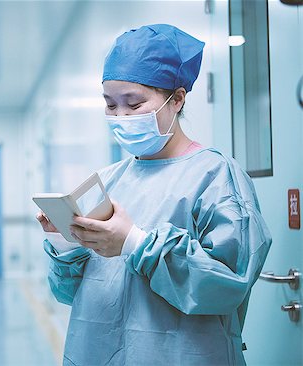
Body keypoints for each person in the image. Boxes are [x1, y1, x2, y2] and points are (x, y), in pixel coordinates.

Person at [36, 24, 272, 366]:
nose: (120, 117)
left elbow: (228, 285)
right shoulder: (107, 180)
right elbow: (70, 293)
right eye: (110, 105)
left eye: (133, 104)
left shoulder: (215, 176)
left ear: (176, 99)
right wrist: (67, 242)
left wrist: (133, 244)